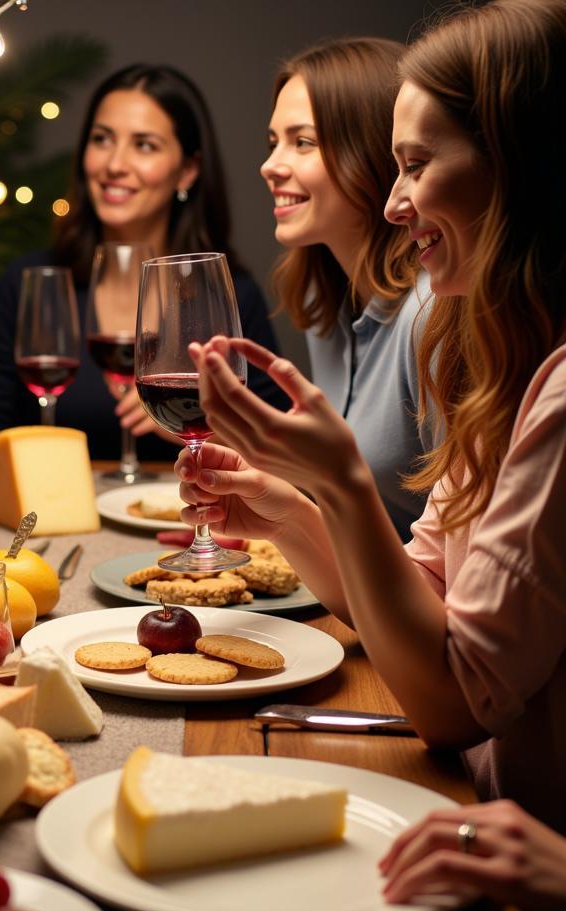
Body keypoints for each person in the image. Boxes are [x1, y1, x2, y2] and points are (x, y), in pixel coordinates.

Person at [179, 0, 566, 838]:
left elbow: (456, 706)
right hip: (470, 801)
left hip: (506, 843)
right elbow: (422, 581)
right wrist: (290, 513)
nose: (398, 203)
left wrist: (339, 485)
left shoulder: (530, 375)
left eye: (418, 163)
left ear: (519, 166)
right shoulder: (508, 366)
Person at [0, 63, 285, 462]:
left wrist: (197, 435)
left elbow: (279, 453)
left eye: (144, 145)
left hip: (180, 517)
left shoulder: (230, 297)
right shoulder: (27, 284)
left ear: (188, 171)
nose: (115, 164)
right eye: (102, 139)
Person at [261, 38, 434, 541]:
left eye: (303, 142)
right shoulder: (325, 302)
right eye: (273, 141)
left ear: (377, 155)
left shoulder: (431, 313)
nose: (270, 164)